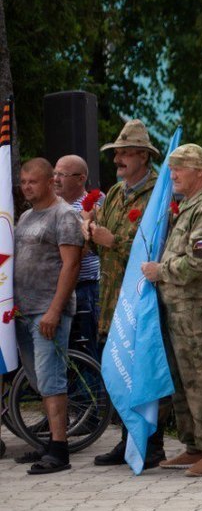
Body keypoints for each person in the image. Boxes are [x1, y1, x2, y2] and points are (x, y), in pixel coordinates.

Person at [140, 144, 202, 477]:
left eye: (178, 169)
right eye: (171, 169)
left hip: (197, 308)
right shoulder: (191, 205)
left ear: (198, 170)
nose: (173, 176)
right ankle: (195, 446)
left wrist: (161, 272)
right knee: (182, 380)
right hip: (179, 306)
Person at [86, 119, 167, 468]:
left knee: (143, 369)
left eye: (125, 154)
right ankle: (127, 439)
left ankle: (152, 445)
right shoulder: (116, 193)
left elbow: (155, 246)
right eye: (116, 153)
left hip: (140, 299)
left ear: (144, 157)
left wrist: (112, 241)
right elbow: (99, 244)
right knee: (117, 368)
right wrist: (90, 232)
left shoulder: (158, 196)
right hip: (111, 297)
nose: (118, 159)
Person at [13, 158, 83, 473]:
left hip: (48, 312)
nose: (27, 186)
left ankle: (60, 450)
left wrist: (55, 309)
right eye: (23, 181)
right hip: (22, 312)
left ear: (49, 182)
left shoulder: (65, 215)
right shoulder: (26, 216)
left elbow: (71, 265)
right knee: (39, 380)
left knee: (52, 379)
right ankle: (47, 445)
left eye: (33, 181)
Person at [53, 154, 100, 363]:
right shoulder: (51, 205)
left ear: (81, 179)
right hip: (56, 288)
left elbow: (87, 246)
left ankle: (93, 395)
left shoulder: (95, 204)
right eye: (54, 173)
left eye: (62, 174)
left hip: (84, 288)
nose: (55, 179)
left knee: (86, 350)